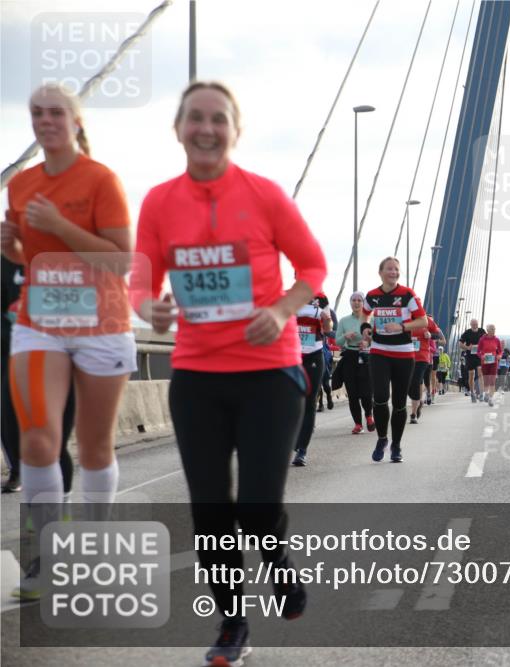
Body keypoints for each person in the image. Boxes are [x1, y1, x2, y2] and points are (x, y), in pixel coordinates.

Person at [130, 81, 326, 664]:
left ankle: (279, 565)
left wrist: (281, 310)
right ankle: (231, 624)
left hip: (269, 372)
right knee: (210, 509)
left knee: (259, 507)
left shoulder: (264, 195)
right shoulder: (160, 202)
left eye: (218, 119)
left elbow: (312, 263)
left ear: (234, 131)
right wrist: (148, 306)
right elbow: (141, 278)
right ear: (178, 127)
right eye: (195, 118)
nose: (206, 128)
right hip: (196, 376)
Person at [3, 83, 136, 601]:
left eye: (56, 112)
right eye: (36, 113)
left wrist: (59, 224)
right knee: (37, 438)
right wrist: (13, 245)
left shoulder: (101, 180)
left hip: (102, 322)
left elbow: (121, 260)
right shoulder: (20, 184)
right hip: (41, 322)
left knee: (96, 445)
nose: (45, 120)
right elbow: (25, 257)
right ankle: (44, 558)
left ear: (76, 121)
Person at [1, 258, 75, 497]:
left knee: (53, 443)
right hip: (12, 356)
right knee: (19, 439)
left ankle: (59, 511)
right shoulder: (4, 262)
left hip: (55, 358)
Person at [361, 257, 427, 463]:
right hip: (379, 351)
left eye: (396, 269)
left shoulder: (408, 295)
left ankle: (396, 446)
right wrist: (365, 329)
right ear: (380, 272)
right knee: (380, 397)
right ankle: (382, 438)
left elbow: (423, 320)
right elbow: (364, 316)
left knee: (399, 403)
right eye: (389, 269)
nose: (393, 272)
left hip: (404, 354)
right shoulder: (372, 296)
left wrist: (402, 327)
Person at [291, 293, 333, 466]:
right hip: (291, 356)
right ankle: (293, 438)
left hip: (313, 355)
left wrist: (325, 319)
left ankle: (302, 449)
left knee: (309, 402)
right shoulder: (288, 294)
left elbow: (328, 328)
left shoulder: (321, 299)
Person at [336, 291, 375, 434]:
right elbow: (337, 341)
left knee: (366, 392)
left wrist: (367, 341)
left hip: (366, 356)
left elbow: (378, 338)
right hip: (350, 356)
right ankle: (358, 424)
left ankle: (369, 416)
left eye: (359, 300)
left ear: (363, 302)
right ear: (350, 302)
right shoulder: (344, 320)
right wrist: (345, 336)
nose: (357, 302)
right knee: (352, 394)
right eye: (354, 300)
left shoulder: (371, 319)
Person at [408, 311, 440, 424]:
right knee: (407, 385)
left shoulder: (426, 320)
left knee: (416, 382)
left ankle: (413, 414)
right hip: (406, 357)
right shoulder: (404, 317)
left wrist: (431, 335)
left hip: (422, 357)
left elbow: (438, 335)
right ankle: (419, 401)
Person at [459, 319, 486, 402]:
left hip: (479, 356)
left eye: (476, 324)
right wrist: (467, 347)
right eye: (473, 324)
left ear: (478, 324)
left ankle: (481, 393)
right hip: (470, 357)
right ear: (470, 325)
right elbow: (460, 344)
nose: (475, 325)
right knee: (471, 375)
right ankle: (472, 393)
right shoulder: (467, 333)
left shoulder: (482, 331)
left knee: (480, 373)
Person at [477, 324, 503, 407]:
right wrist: (482, 356)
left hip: (494, 362)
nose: (494, 330)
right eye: (492, 329)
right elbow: (478, 351)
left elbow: (500, 351)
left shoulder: (497, 340)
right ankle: (486, 394)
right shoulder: (482, 340)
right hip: (485, 362)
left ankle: (491, 399)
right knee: (486, 380)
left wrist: (499, 356)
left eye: (494, 329)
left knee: (492, 380)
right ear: (487, 330)